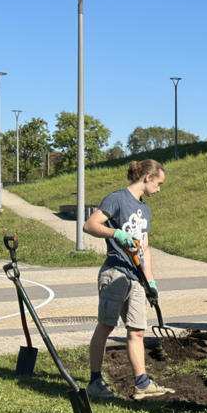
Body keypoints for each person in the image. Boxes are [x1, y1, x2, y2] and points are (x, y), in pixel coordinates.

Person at [83, 159, 175, 400]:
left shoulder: (145, 210)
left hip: (137, 277)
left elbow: (144, 248)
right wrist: (116, 233)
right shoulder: (116, 199)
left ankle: (141, 383)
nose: (159, 189)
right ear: (147, 177)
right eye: (159, 184)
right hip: (115, 272)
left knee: (137, 331)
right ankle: (95, 381)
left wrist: (151, 281)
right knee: (106, 325)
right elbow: (89, 225)